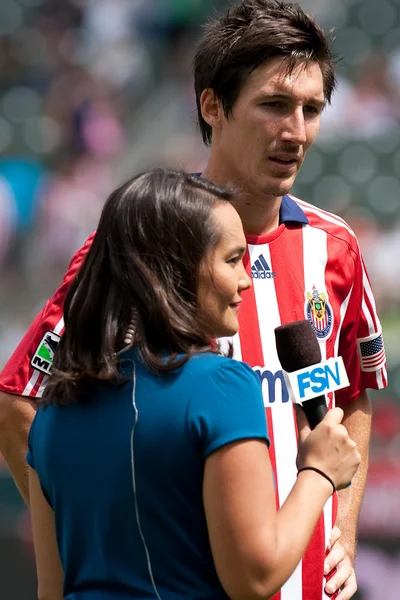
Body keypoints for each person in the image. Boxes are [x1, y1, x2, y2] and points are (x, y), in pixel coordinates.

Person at [0, 1, 387, 599]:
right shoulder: (135, 252)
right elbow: (18, 400)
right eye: (274, 105)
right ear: (213, 106)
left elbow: (353, 394)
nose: (298, 131)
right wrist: (121, 531)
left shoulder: (335, 248)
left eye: (312, 109)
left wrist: (345, 529)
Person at [27, 168, 360, 600]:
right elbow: (255, 577)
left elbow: (51, 591)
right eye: (231, 259)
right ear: (172, 269)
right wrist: (319, 471)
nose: (245, 279)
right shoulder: (220, 387)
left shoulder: (51, 414)